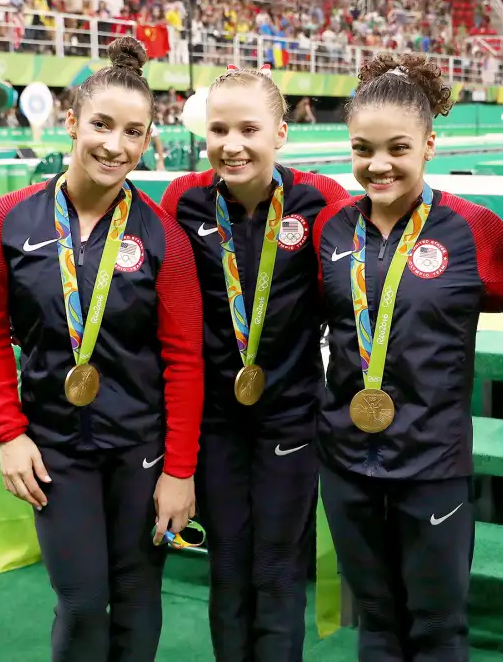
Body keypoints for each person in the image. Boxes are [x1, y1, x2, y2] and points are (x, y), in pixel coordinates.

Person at [0, 37, 204, 662]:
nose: (115, 145)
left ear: (148, 138)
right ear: (72, 121)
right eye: (102, 125)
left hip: (141, 448)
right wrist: (8, 433)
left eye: (134, 131)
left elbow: (184, 361)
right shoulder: (8, 219)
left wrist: (180, 470)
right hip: (53, 449)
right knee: (80, 600)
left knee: (136, 594)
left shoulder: (163, 236)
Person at [312, 52, 503, 662]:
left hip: (432, 465)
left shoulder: (471, 229)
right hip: (347, 461)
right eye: (362, 149)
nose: (378, 165)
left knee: (436, 628)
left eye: (397, 148)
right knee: (376, 620)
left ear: (430, 144)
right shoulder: (332, 231)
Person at [159, 65, 349, 662]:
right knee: (228, 569)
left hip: (291, 422)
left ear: (281, 133)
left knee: (277, 571)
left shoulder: (321, 201)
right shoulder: (183, 202)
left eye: (249, 129)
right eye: (219, 130)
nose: (232, 145)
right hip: (215, 424)